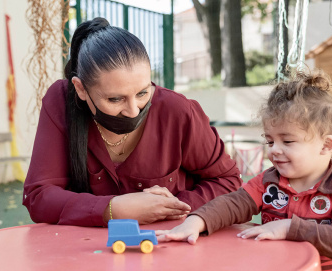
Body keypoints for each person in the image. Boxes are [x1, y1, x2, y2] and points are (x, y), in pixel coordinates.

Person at [22, 17, 242, 227]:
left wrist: (174, 206)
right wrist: (113, 209)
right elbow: (39, 196)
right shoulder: (61, 101)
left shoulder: (178, 111)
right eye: (115, 99)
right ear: (80, 88)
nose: (133, 111)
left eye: (142, 92)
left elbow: (228, 181)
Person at [156, 70, 332, 270]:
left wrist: (289, 228)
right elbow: (233, 204)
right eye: (270, 142)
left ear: (325, 145)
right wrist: (198, 220)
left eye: (287, 142)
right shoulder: (267, 182)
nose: (275, 150)